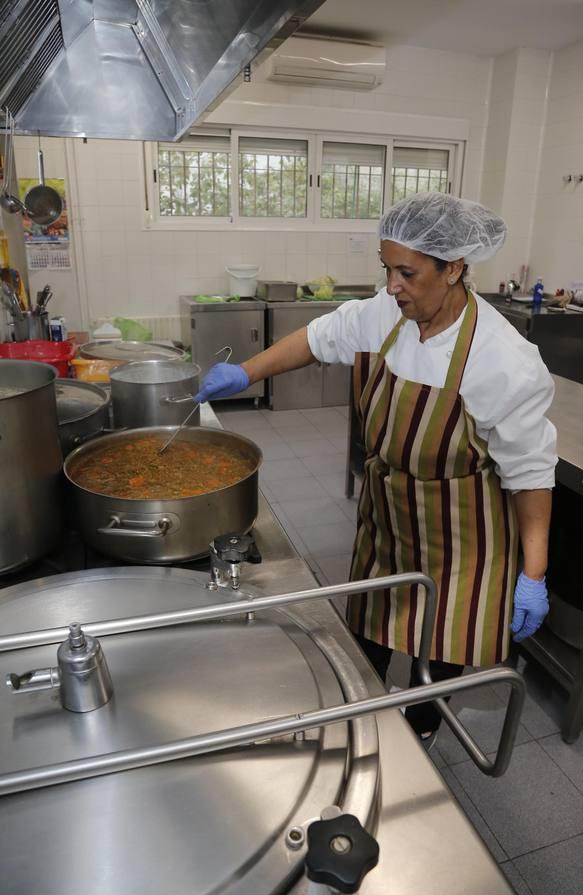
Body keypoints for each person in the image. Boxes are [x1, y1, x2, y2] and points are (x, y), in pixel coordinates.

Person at [194, 192, 557, 746]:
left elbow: (530, 475)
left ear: (454, 268)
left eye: (408, 273)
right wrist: (246, 373)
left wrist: (533, 573)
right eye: (387, 269)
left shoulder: (502, 358)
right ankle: (358, 718)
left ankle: (421, 729)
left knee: (440, 651)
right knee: (368, 633)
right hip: (387, 521)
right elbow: (316, 339)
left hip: (462, 540)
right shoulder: (387, 316)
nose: (392, 286)